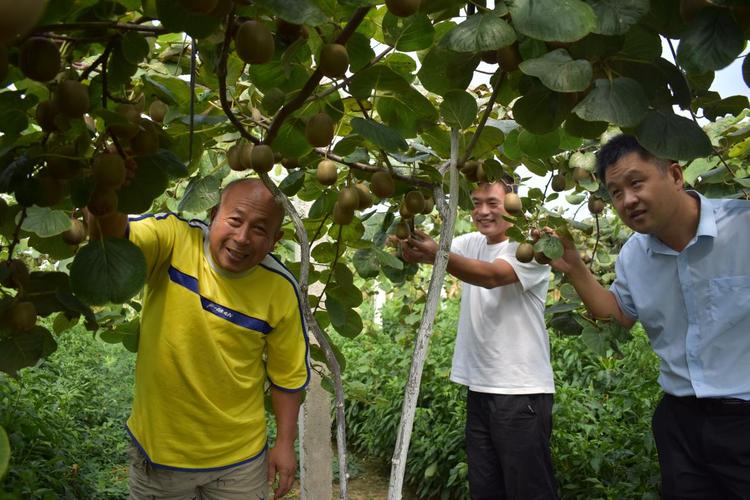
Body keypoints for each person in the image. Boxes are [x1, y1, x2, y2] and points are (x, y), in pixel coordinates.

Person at [550, 134, 750, 498]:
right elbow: (618, 317)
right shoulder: (633, 256)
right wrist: (576, 267)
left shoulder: (744, 228)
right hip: (680, 423)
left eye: (635, 182)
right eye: (615, 192)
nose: (627, 200)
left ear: (675, 175)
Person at [89, 178, 310, 499]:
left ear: (275, 240)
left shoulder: (280, 288)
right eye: (234, 220)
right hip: (160, 456)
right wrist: (108, 171)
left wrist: (285, 445)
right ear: (213, 214)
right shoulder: (175, 241)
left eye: (260, 230)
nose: (243, 237)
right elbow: (111, 241)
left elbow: (287, 377)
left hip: (240, 463)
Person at [400, 181, 557, 499]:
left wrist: (438, 253)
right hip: (481, 390)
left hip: (520, 392)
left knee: (529, 491)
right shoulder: (471, 243)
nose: (483, 211)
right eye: (476, 202)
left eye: (493, 203)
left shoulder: (531, 250)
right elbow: (431, 253)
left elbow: (492, 276)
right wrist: (407, 236)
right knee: (485, 490)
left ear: (514, 204)